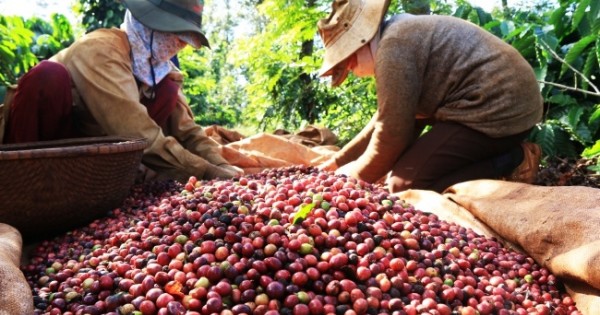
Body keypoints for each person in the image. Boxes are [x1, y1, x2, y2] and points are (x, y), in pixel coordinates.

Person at [0, 0, 243, 182]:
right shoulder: (101, 49)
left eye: (186, 38)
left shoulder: (159, 72)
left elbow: (188, 131)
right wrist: (203, 172)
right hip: (43, 146)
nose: (182, 45)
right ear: (149, 26)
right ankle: (19, 182)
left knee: (168, 89)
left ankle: (103, 182)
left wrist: (221, 165)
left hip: (90, 159)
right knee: (49, 76)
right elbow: (134, 130)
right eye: (177, 34)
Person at [316, 0, 544, 193]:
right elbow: (386, 119)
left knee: (406, 186)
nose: (351, 70)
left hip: (497, 110)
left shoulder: (393, 48)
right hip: (490, 104)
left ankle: (512, 160)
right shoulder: (395, 36)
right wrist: (338, 162)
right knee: (397, 172)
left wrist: (353, 179)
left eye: (348, 61)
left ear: (361, 42)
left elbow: (392, 135)